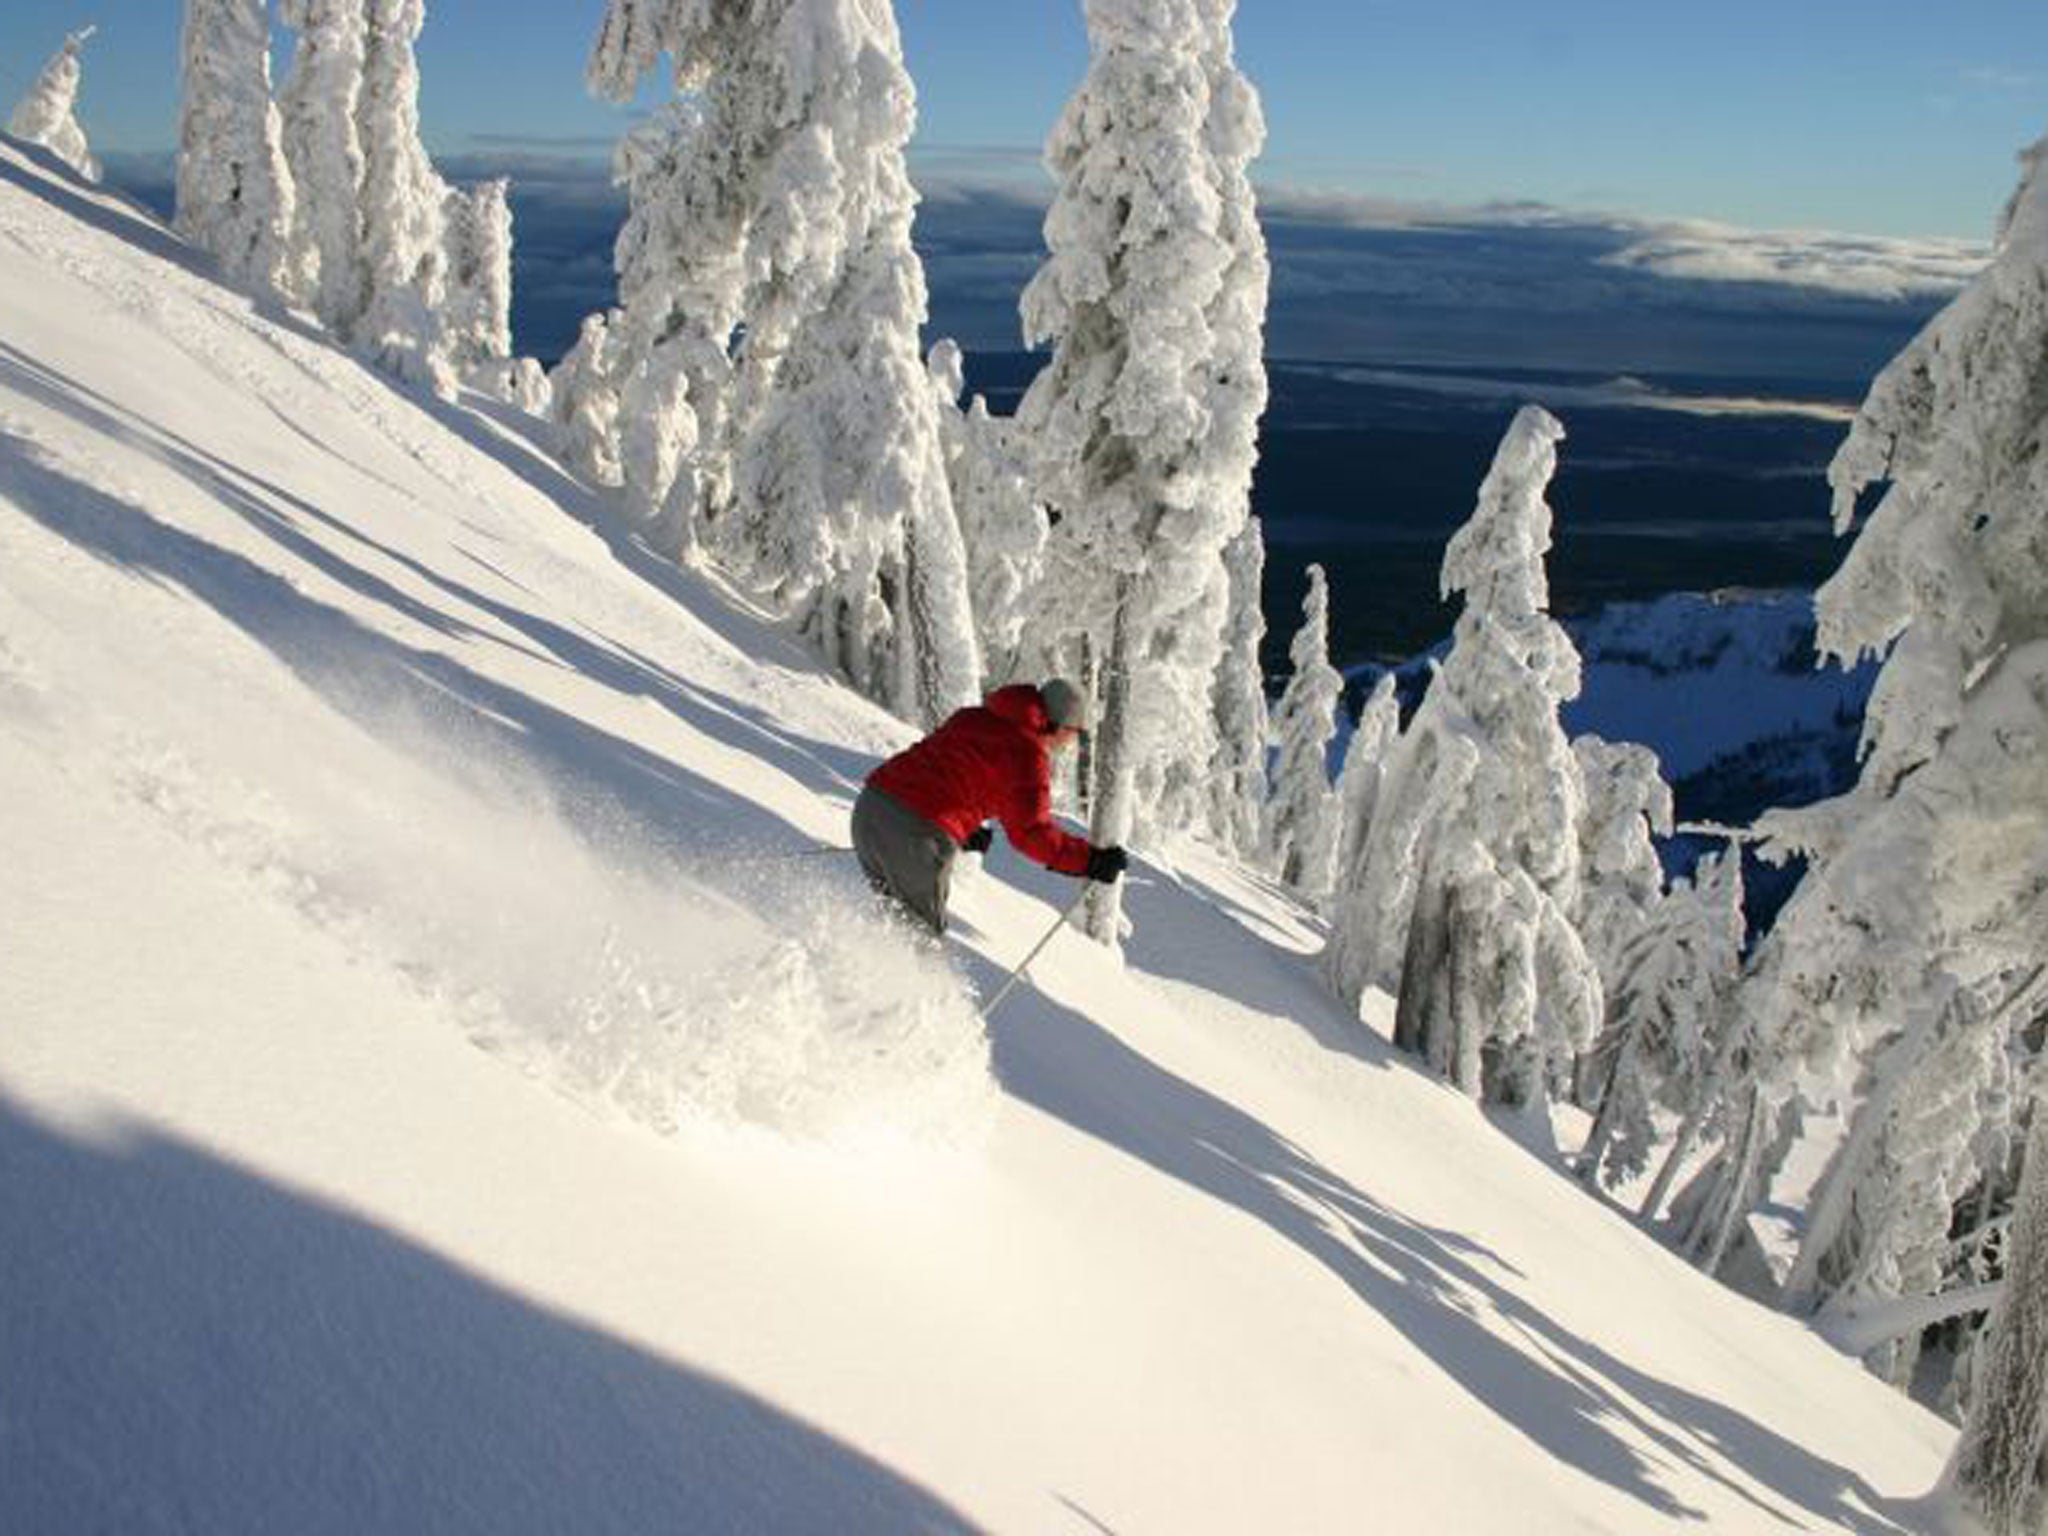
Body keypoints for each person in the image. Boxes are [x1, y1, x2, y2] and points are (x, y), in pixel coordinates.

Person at [851, 678, 1128, 935]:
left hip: (871, 807)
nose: (1070, 743)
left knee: (892, 929)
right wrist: (1090, 861)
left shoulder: (972, 717)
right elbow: (1031, 833)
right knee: (921, 945)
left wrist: (963, 828)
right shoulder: (1028, 754)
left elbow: (945, 770)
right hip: (917, 833)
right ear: (1059, 725)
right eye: (1074, 733)